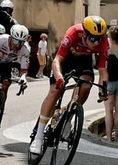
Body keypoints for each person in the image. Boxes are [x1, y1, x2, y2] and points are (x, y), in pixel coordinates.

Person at [29, 17, 109, 156]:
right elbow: (57, 60)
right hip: (66, 60)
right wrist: (59, 77)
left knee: (86, 85)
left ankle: (68, 116)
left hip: (84, 61)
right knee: (55, 91)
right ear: (84, 34)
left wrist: (103, 89)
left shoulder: (104, 43)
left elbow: (103, 71)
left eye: (99, 39)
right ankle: (39, 136)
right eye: (93, 39)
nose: (97, 43)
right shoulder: (73, 33)